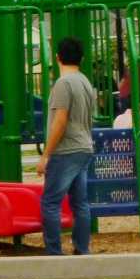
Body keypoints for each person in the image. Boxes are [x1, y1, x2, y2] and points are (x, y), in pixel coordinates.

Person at [37, 37, 95, 256]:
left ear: (57, 57)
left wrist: (46, 155)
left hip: (66, 149)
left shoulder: (63, 84)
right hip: (84, 146)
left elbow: (60, 121)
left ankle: (53, 252)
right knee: (80, 203)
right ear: (81, 58)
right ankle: (81, 248)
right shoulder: (84, 81)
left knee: (50, 202)